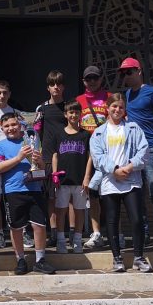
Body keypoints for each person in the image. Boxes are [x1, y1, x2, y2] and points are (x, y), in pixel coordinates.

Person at [90, 93, 152, 273]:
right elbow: (97, 157)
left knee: (137, 219)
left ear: (125, 110)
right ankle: (117, 258)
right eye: (114, 106)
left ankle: (138, 257)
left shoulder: (133, 128)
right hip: (110, 181)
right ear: (107, 108)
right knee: (111, 221)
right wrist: (115, 169)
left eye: (121, 107)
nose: (117, 110)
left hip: (131, 180)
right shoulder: (99, 132)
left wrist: (130, 166)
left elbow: (144, 150)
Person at [119, 57, 153, 252]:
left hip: (150, 149)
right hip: (131, 153)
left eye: (129, 72)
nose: (126, 76)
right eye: (123, 73)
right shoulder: (126, 95)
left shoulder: (152, 92)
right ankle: (143, 234)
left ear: (139, 71)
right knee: (137, 195)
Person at [0, 113, 56, 275]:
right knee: (16, 227)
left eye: (13, 124)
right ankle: (20, 259)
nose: (11, 128)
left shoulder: (31, 140)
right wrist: (18, 158)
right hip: (13, 190)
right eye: (7, 126)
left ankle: (40, 260)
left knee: (39, 225)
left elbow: (41, 167)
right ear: (2, 129)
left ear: (20, 125)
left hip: (34, 189)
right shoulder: (0, 145)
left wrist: (39, 160)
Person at [0, 80, 28, 249]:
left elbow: (25, 134)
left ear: (9, 94)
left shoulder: (16, 113)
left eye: (4, 92)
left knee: (17, 195)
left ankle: (23, 232)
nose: (1, 96)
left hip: (13, 157)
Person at [33, 70, 69, 246]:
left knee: (69, 196)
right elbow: (35, 134)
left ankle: (69, 233)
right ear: (48, 87)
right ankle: (53, 233)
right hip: (47, 157)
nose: (56, 87)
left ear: (63, 87)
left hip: (67, 155)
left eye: (59, 84)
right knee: (51, 197)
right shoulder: (41, 108)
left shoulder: (69, 107)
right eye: (52, 84)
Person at [50, 101, 91, 254]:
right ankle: (61, 241)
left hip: (80, 179)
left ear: (81, 114)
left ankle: (77, 241)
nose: (74, 115)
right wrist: (54, 174)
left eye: (76, 112)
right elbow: (55, 155)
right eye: (71, 112)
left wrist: (87, 177)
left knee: (79, 210)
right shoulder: (58, 134)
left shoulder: (85, 135)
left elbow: (90, 157)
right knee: (61, 210)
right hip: (62, 180)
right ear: (65, 115)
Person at [77, 66, 109, 249]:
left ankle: (116, 232)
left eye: (95, 78)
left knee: (112, 195)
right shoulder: (78, 101)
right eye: (88, 79)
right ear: (84, 81)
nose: (92, 82)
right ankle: (97, 233)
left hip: (108, 153)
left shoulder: (110, 98)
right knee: (92, 194)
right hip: (86, 153)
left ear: (101, 79)